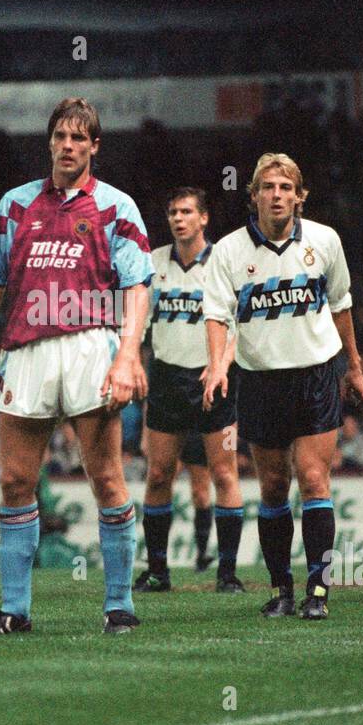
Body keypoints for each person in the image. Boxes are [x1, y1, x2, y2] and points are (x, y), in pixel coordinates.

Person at [0, 97, 153, 635]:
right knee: (16, 480)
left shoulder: (117, 206)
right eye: (61, 137)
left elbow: (137, 285)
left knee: (107, 479)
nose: (69, 146)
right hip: (26, 350)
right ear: (49, 141)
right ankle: (14, 610)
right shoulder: (15, 204)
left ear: (95, 146)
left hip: (89, 347)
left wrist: (127, 353)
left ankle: (119, 604)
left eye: (80, 138)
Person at [202, 153, 363, 620]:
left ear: (299, 195)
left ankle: (318, 590)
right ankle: (281, 589)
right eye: (267, 187)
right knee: (274, 486)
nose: (276, 195)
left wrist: (352, 366)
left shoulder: (325, 241)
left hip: (316, 374)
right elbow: (216, 314)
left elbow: (341, 305)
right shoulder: (230, 252)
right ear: (253, 195)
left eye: (285, 187)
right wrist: (217, 366)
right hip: (260, 379)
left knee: (314, 479)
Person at [136, 186, 245, 594]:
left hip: (214, 379)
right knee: (160, 472)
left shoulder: (224, 262)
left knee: (223, 472)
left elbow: (242, 323)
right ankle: (158, 571)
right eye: (172, 212)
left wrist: (221, 364)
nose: (178, 219)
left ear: (204, 218)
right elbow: (138, 321)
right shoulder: (152, 263)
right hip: (166, 378)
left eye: (186, 212)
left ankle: (228, 573)